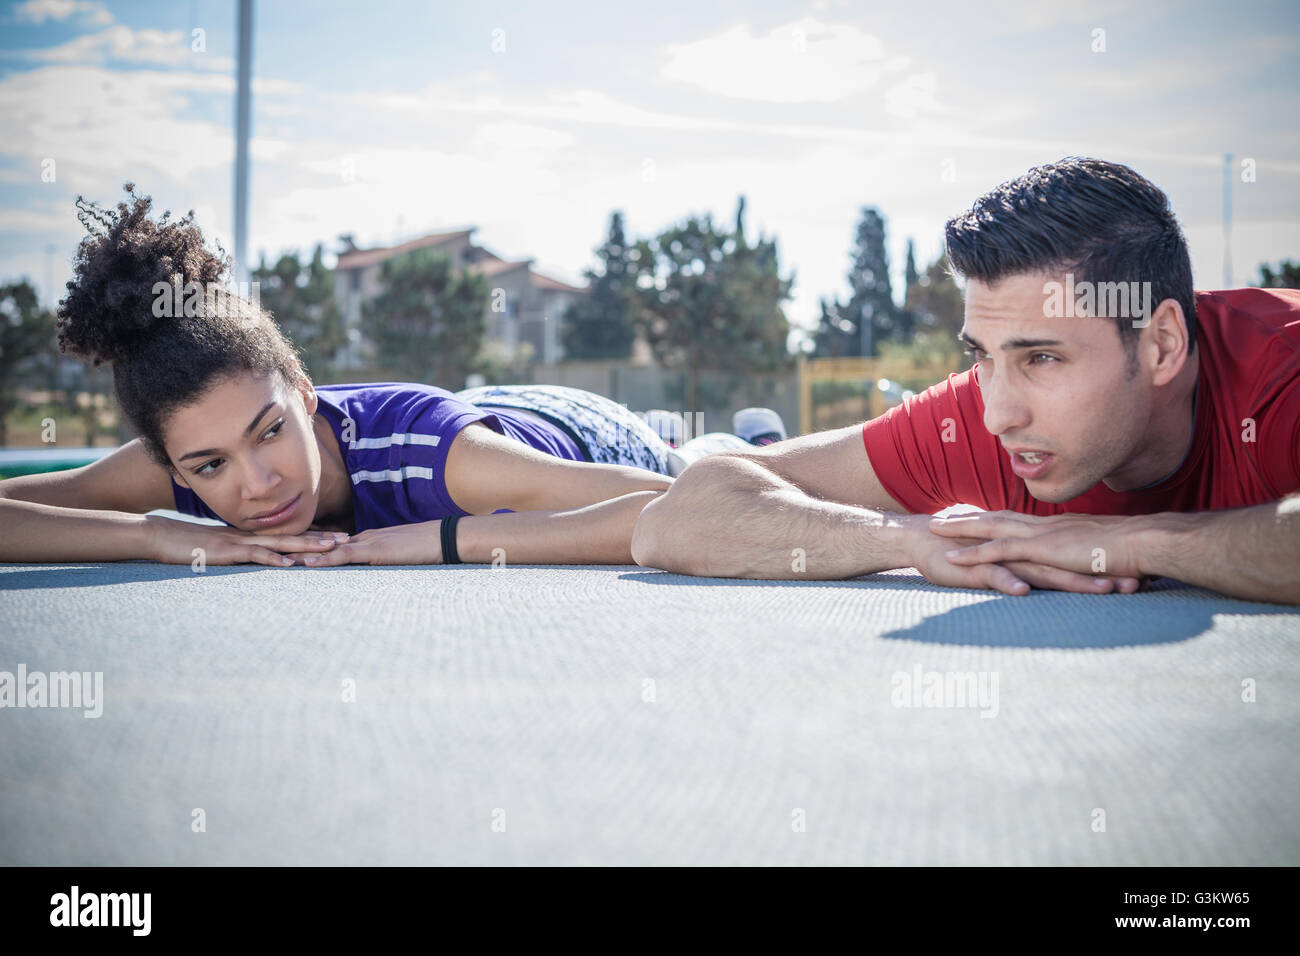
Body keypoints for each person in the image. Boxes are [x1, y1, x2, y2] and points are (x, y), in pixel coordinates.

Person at [0, 185, 785, 568]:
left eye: (269, 431)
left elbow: (663, 506)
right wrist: (156, 535)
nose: (257, 484)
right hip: (480, 413)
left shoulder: (434, 455)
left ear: (304, 394)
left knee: (702, 463)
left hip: (573, 430)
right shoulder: (181, 462)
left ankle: (743, 431)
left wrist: (445, 538)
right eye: (208, 467)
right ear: (172, 465)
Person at [632, 157, 1300, 605]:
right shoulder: (975, 417)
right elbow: (678, 517)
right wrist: (912, 539)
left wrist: (1133, 541)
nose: (997, 415)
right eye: (982, 356)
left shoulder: (1282, 370)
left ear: (1161, 345)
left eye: (1042, 359)